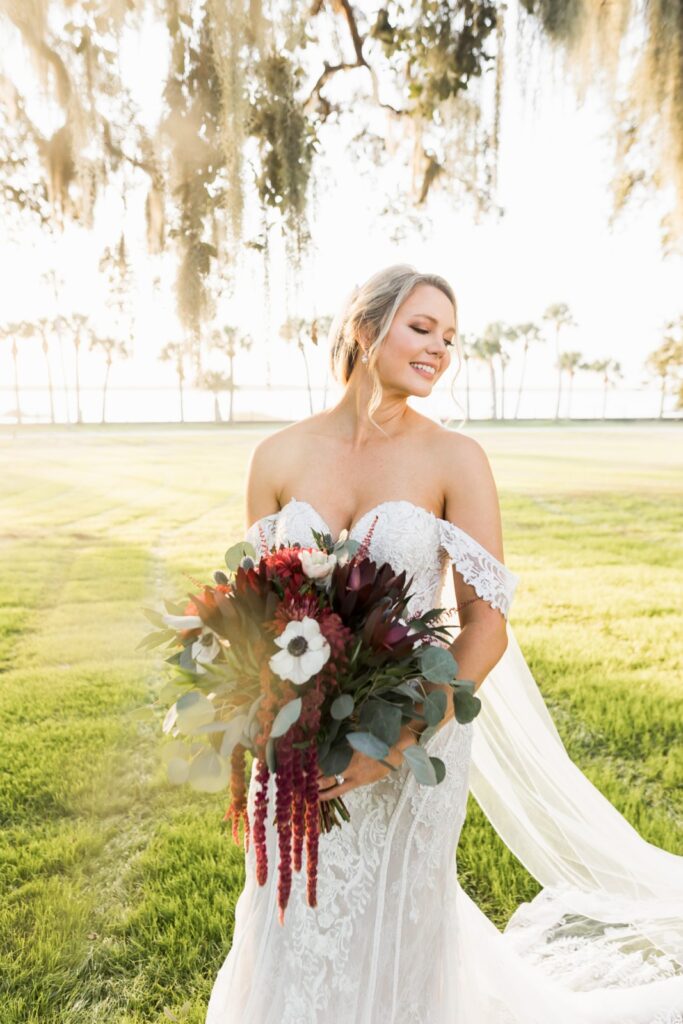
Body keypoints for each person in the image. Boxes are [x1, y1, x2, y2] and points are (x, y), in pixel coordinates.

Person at [206, 264, 683, 1024]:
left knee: (397, 927)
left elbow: (484, 624)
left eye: (450, 338)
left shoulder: (455, 458)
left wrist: (392, 742)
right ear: (365, 328)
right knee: (290, 914)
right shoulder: (275, 456)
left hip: (412, 727)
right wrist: (263, 709)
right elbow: (255, 613)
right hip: (294, 739)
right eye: (421, 328)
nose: (439, 349)